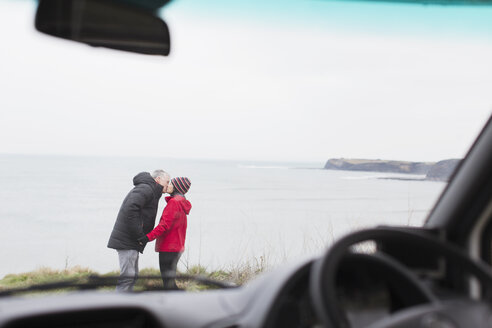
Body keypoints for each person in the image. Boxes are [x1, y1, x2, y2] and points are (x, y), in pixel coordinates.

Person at [107, 170, 170, 292]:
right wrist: (139, 235)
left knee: (132, 276)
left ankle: (126, 304)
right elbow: (131, 208)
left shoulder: (151, 190)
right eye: (167, 182)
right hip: (128, 240)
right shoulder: (146, 189)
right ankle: (117, 306)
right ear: (158, 180)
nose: (168, 185)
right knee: (128, 277)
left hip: (132, 240)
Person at [138, 177, 192, 290]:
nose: (168, 185)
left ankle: (181, 302)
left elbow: (164, 225)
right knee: (169, 282)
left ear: (177, 188)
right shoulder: (181, 203)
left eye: (171, 183)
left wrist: (147, 237)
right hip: (176, 247)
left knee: (168, 283)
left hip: (169, 248)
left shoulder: (174, 203)